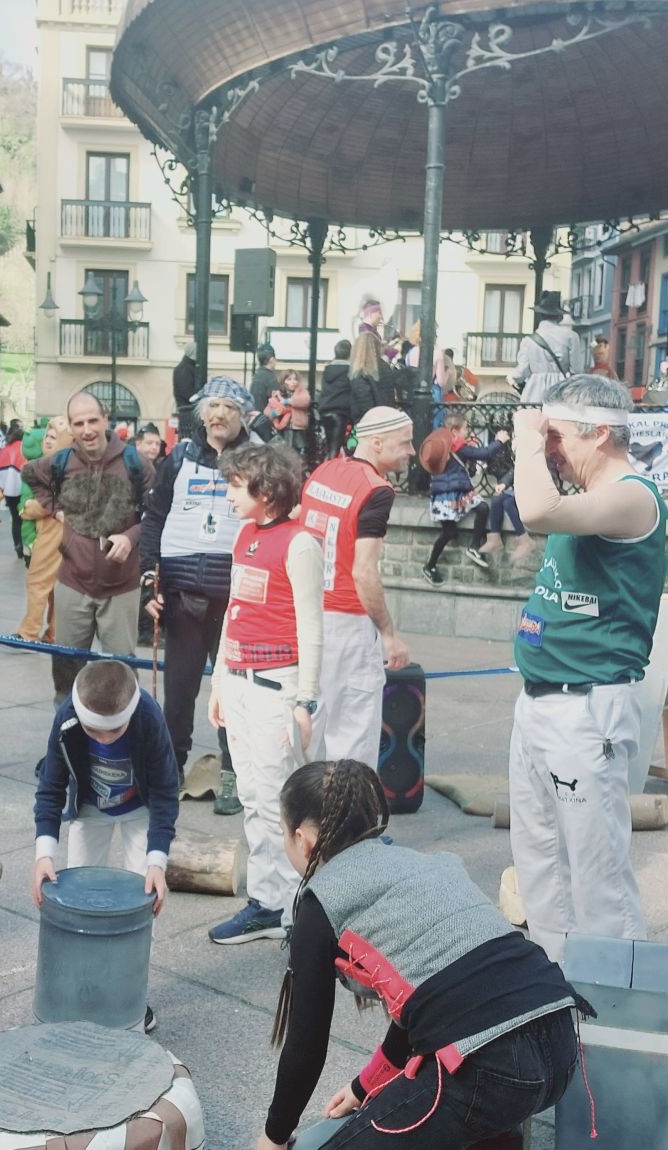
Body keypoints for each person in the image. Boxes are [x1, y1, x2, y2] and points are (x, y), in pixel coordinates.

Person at [263, 760, 583, 1150]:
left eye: (282, 832)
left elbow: (306, 1046)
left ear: (303, 839)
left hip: (492, 1066)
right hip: (561, 1039)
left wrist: (274, 1137)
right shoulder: (423, 864)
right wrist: (365, 1086)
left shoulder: (322, 901)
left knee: (474, 1097)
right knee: (484, 1112)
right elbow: (432, 996)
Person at [507, 374, 668, 960]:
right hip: (542, 699)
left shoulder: (633, 494)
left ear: (600, 433)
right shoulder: (584, 497)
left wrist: (526, 439)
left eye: (557, 436)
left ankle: (618, 1009)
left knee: (598, 876)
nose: (549, 447)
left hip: (586, 706)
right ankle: (552, 992)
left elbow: (536, 511)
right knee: (539, 863)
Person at [208, 442, 321, 946]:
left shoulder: (300, 544)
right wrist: (218, 680)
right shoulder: (244, 534)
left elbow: (312, 629)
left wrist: (306, 700)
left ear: (267, 490)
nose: (228, 494)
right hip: (238, 683)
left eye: (236, 485)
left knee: (285, 800)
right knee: (253, 795)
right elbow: (234, 610)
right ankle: (267, 903)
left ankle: (299, 905)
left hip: (278, 686)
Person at [31, 659, 178, 1032]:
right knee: (82, 904)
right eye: (93, 730)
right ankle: (83, 991)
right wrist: (44, 854)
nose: (103, 738)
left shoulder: (148, 716)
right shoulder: (66, 718)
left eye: (114, 731)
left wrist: (157, 860)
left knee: (141, 905)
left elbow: (165, 791)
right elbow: (50, 786)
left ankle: (130, 996)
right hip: (89, 808)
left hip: (138, 810)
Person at [141, 376, 258, 823]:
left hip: (237, 598)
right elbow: (154, 516)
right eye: (214, 406)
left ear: (243, 413)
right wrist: (148, 575)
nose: (221, 414)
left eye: (230, 406)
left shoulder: (256, 459)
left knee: (233, 693)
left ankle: (233, 774)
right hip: (182, 592)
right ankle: (170, 770)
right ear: (202, 413)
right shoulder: (179, 459)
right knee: (180, 691)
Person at [297, 405, 414, 766]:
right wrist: (389, 632)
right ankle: (346, 818)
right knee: (353, 733)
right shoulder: (376, 490)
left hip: (308, 612)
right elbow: (364, 571)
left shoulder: (324, 470)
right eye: (405, 443)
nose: (411, 451)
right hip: (347, 620)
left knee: (306, 723)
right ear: (376, 443)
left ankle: (296, 815)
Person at [23, 391, 154, 702]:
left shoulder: (137, 464)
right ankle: (69, 736)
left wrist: (131, 536)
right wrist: (55, 508)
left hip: (121, 586)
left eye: (93, 420)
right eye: (78, 423)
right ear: (71, 426)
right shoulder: (62, 461)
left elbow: (157, 515)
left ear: (106, 420)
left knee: (121, 673)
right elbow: (31, 474)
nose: (87, 430)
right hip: (73, 581)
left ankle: (120, 738)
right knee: (66, 672)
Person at [420, 414, 509, 583]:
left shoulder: (442, 446)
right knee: (449, 532)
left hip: (452, 492)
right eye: (465, 429)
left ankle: (474, 547)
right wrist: (499, 441)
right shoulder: (458, 447)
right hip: (450, 494)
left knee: (482, 508)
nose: (467, 432)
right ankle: (430, 565)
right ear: (454, 431)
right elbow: (484, 453)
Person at [16, 416, 70, 642]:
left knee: (39, 582)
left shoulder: (62, 468)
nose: (48, 441)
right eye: (47, 436)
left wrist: (31, 507)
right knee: (57, 586)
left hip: (54, 533)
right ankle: (54, 633)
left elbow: (40, 505)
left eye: (54, 437)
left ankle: (29, 633)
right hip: (54, 531)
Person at [508, 290, 586, 405]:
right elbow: (577, 371)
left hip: (534, 393)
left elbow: (521, 373)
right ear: (560, 316)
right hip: (561, 392)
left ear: (540, 315)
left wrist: (511, 377)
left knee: (535, 420)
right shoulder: (571, 336)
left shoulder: (528, 341)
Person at [0, 422, 28, 563]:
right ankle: (25, 545)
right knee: (24, 518)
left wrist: (2, 488)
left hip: (9, 490)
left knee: (15, 518)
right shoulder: (25, 449)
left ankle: (17, 545)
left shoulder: (6, 449)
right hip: (23, 489)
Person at [346, 332, 398, 420]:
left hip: (368, 421)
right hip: (387, 416)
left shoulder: (360, 371)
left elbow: (364, 401)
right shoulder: (385, 367)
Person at [317, 339, 354, 457]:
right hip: (340, 412)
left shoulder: (328, 370)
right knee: (335, 448)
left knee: (329, 447)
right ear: (350, 354)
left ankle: (326, 468)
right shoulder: (350, 371)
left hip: (325, 410)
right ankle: (330, 472)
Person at [250, 344, 281, 413]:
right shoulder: (270, 378)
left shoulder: (256, 375)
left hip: (255, 417)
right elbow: (275, 404)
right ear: (272, 359)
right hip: (265, 419)